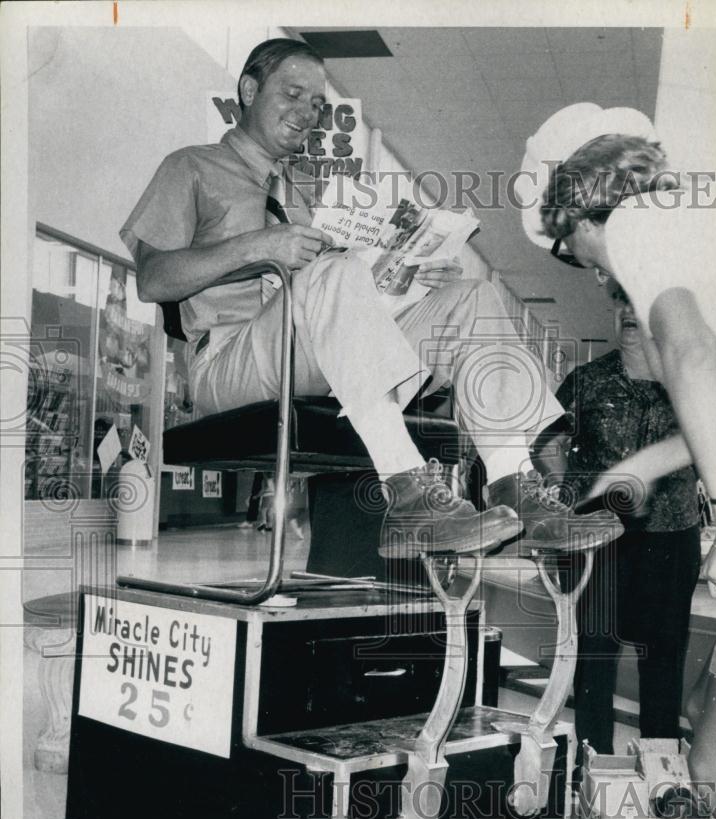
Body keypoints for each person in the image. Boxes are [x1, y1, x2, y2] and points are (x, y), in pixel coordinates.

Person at [120, 39, 619, 560]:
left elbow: (340, 302)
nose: (307, 114)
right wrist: (260, 245)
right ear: (248, 89)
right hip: (225, 365)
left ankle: (515, 489)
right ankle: (408, 496)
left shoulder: (307, 194)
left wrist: (412, 277)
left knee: (471, 297)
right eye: (293, 94)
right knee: (330, 273)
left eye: (317, 104)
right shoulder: (192, 168)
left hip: (310, 353)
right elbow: (152, 280)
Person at [518, 102, 716, 819]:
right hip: (611, 537)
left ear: (584, 215)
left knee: (710, 748)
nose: (594, 277)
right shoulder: (699, 244)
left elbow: (701, 363)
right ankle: (619, 794)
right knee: (695, 721)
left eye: (569, 247)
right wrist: (630, 469)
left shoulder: (642, 233)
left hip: (672, 534)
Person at [536, 288, 702, 761]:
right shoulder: (586, 381)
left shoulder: (687, 382)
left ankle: (660, 777)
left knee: (663, 661)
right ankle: (593, 771)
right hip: (597, 540)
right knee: (593, 658)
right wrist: (571, 492)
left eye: (640, 304)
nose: (629, 313)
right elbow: (543, 442)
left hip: (671, 539)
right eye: (621, 303)